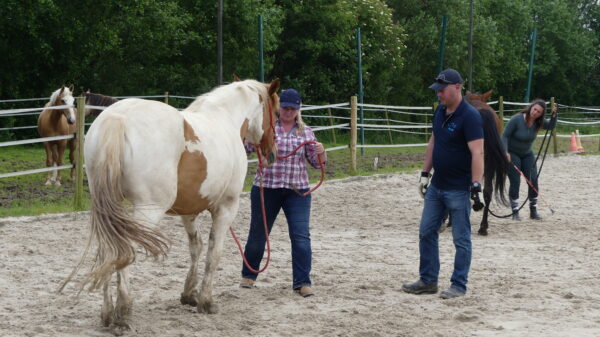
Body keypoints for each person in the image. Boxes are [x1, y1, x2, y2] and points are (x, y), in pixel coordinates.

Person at [402, 68, 484, 299]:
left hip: (458, 188)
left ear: (457, 87)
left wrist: (476, 185)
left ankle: (459, 284)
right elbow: (433, 142)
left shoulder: (470, 117)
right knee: (426, 231)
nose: (439, 94)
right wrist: (425, 173)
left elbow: (478, 152)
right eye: (437, 90)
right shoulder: (439, 112)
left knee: (461, 239)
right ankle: (428, 280)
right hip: (437, 186)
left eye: (442, 90)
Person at [240, 88, 326, 297]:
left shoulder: (306, 132)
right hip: (265, 188)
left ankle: (303, 282)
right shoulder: (266, 128)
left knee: (300, 236)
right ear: (279, 108)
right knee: (258, 235)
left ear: (298, 110)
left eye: (293, 108)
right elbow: (245, 149)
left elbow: (316, 164)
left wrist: (321, 153)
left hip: (297, 192)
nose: (288, 112)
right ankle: (248, 276)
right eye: (285, 108)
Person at [502, 99, 557, 221]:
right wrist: (505, 151)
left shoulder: (538, 122)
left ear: (541, 114)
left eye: (538, 112)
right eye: (534, 109)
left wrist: (554, 115)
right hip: (513, 153)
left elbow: (551, 126)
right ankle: (515, 211)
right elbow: (505, 136)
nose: (535, 113)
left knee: (533, 180)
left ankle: (533, 211)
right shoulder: (517, 119)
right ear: (531, 107)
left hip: (527, 154)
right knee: (515, 181)